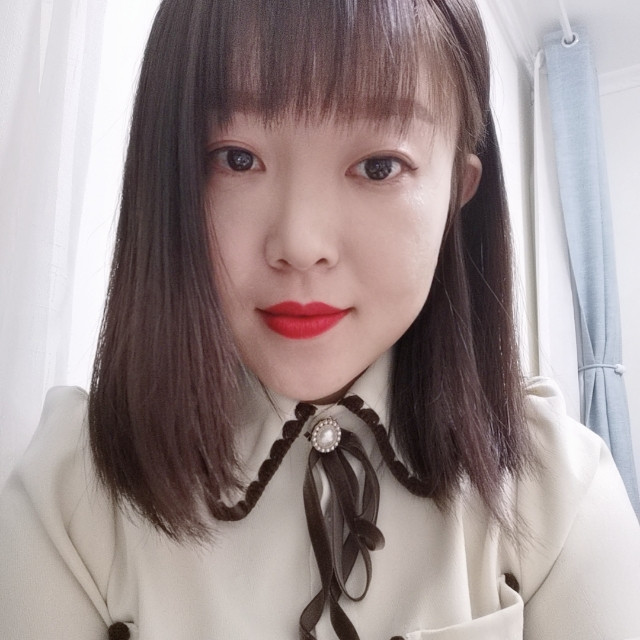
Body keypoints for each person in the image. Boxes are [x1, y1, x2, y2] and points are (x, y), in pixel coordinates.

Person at [1, 0, 639, 638]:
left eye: (379, 166)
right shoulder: (72, 493)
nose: (301, 244)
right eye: (236, 158)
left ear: (456, 192)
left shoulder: (556, 493)